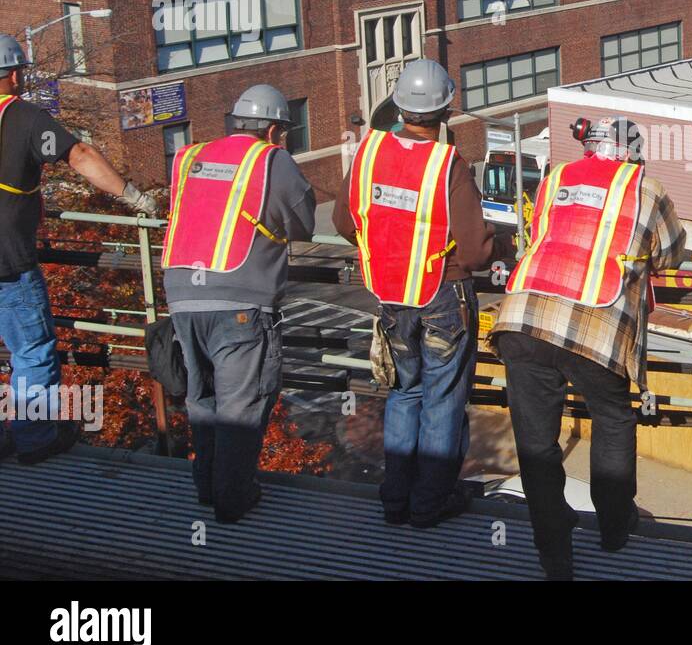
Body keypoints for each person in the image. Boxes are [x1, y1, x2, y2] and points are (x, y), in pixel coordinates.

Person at [489, 116, 686, 580]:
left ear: (589, 146)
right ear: (632, 152)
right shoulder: (647, 190)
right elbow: (670, 254)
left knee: (537, 446)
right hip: (595, 329)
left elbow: (539, 233)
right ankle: (615, 527)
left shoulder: (555, 177)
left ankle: (555, 554)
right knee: (613, 419)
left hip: (523, 321)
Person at [333, 59, 495, 527]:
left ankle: (396, 500)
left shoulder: (368, 153)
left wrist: (389, 248)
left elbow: (347, 222)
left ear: (399, 106)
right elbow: (474, 250)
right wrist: (498, 245)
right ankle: (428, 505)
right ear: (446, 109)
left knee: (405, 393)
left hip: (391, 296)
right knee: (443, 399)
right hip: (443, 294)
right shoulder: (449, 165)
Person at [161, 85, 316, 523]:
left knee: (203, 400)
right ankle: (233, 499)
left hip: (182, 298)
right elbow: (303, 221)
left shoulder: (190, 157)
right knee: (241, 407)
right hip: (240, 303)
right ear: (273, 130)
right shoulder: (271, 160)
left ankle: (207, 488)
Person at [0, 34, 156, 465]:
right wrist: (133, 196)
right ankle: (33, 439)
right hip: (8, 263)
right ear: (15, 75)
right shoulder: (24, 118)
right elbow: (80, 154)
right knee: (31, 350)